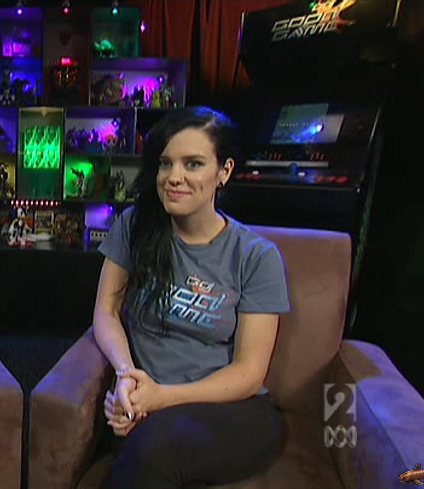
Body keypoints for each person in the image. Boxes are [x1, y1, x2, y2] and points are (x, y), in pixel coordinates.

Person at [93, 106, 290, 488]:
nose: (174, 177)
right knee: (145, 450)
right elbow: (106, 311)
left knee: (150, 453)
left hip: (232, 409)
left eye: (193, 164)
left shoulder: (256, 256)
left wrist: (161, 398)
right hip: (149, 402)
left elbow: (249, 372)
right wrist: (125, 378)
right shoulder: (135, 226)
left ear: (224, 171)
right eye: (165, 163)